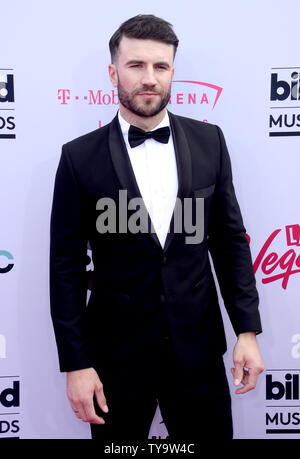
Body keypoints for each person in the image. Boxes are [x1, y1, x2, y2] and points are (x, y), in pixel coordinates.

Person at [50, 14, 264, 441]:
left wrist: (247, 330)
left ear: (172, 72)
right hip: (116, 361)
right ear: (113, 72)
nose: (149, 78)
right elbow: (65, 270)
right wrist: (76, 364)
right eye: (136, 66)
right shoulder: (78, 158)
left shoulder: (211, 143)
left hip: (199, 355)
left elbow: (229, 244)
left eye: (160, 67)